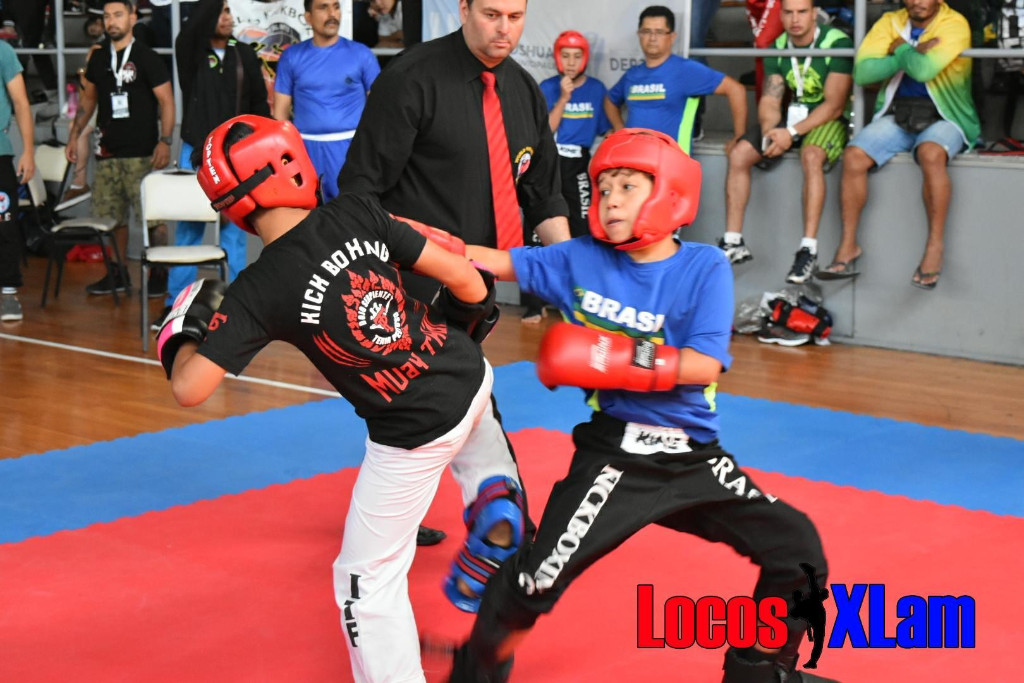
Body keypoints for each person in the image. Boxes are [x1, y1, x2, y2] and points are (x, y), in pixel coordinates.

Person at [421, 128, 833, 683]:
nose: (610, 200)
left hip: (693, 457)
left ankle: (758, 672)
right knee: (536, 579)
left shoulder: (704, 266)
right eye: (604, 188)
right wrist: (407, 240)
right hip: (616, 455)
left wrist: (608, 356)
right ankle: (477, 669)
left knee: (799, 553)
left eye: (628, 186)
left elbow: (704, 365)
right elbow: (490, 261)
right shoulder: (581, 258)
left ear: (670, 193)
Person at [164, 114, 528, 683]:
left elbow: (190, 389)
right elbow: (466, 278)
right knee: (472, 424)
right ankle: (494, 494)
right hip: (468, 374)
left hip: (412, 432)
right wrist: (456, 334)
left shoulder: (258, 288)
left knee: (365, 582)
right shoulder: (356, 211)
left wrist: (179, 333)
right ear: (291, 166)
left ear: (232, 205)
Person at [338, 0, 571, 306]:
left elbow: (544, 197)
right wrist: (368, 280)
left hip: (477, 288)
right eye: (492, 15)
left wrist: (573, 268)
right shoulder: (410, 77)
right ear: (464, 10)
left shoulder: (526, 92)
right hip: (404, 286)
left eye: (515, 17)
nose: (504, 28)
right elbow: (361, 188)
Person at [817, 0, 980, 289]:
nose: (917, 1)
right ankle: (848, 245)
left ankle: (935, 246)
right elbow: (863, 73)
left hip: (946, 116)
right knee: (854, 155)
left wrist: (900, 49)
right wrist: (912, 53)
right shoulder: (890, 21)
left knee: (930, 153)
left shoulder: (954, 22)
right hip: (900, 114)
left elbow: (925, 70)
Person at [721, 0, 853, 283]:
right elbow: (771, 100)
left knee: (811, 156)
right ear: (780, 15)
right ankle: (733, 241)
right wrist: (771, 131)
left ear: (814, 14)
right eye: (789, 12)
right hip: (792, 118)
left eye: (802, 12)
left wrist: (790, 134)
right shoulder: (779, 46)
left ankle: (808, 249)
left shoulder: (836, 42)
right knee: (740, 153)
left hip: (827, 119)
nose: (795, 19)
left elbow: (834, 106)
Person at [164, 0, 269, 321]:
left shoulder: (243, 53)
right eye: (221, 11)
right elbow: (189, 33)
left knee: (234, 231)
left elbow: (258, 106)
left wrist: (256, 151)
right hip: (194, 150)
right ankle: (175, 303)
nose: (228, 17)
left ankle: (234, 305)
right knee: (188, 228)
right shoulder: (191, 51)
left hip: (234, 156)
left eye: (228, 11)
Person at [66, 0, 175, 296]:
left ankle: (158, 274)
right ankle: (117, 274)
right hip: (108, 153)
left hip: (143, 154)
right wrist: (74, 135)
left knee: (154, 220)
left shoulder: (147, 57)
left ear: (132, 18)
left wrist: (165, 141)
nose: (111, 21)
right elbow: (88, 101)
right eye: (107, 16)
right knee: (112, 220)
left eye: (118, 15)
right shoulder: (99, 58)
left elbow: (167, 101)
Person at [273, 0, 379, 203]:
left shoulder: (361, 54)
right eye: (323, 7)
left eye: (336, 6)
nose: (332, 13)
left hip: (351, 150)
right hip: (306, 152)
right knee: (308, 216)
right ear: (308, 17)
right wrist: (285, 158)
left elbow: (380, 109)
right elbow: (280, 114)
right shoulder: (291, 57)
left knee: (352, 214)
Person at [605, 5, 748, 155]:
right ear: (639, 34)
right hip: (633, 158)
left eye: (659, 32)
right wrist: (619, 129)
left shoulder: (686, 70)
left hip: (671, 160)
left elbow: (736, 89)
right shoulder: (632, 74)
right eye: (646, 31)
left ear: (672, 37)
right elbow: (610, 100)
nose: (652, 38)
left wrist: (739, 136)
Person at [0, 39, 35, 323]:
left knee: (4, 223)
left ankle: (9, 292)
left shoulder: (3, 51)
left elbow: (21, 103)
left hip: (0, 153)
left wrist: (28, 151)